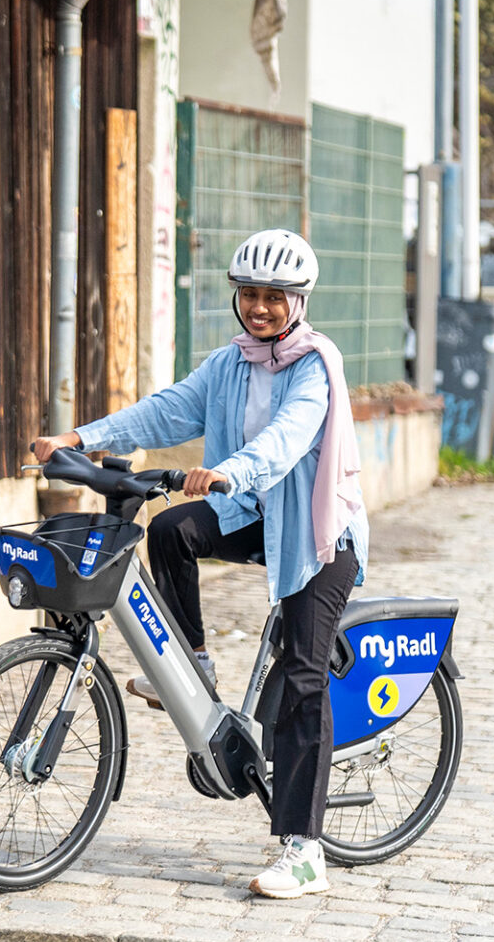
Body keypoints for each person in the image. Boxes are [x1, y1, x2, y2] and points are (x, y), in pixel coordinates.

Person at [31, 229, 369, 900]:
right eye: (251, 295)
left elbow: (286, 440)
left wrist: (226, 473)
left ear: (298, 302)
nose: (262, 309)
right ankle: (195, 662)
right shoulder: (230, 363)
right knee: (172, 530)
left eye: (276, 298)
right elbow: (166, 411)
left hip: (314, 534)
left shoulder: (315, 366)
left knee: (303, 678)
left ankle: (304, 852)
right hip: (253, 516)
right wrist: (80, 438)